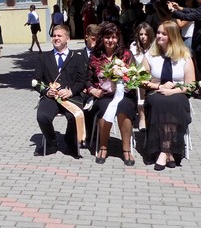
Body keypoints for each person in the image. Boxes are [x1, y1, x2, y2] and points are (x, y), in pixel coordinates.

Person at [140, 21, 195, 171]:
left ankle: (164, 152)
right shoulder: (150, 55)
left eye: (164, 34)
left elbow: (191, 85)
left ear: (172, 36)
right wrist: (159, 86)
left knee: (175, 103)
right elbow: (140, 80)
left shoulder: (184, 56)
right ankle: (169, 153)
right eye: (158, 32)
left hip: (178, 93)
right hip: (156, 92)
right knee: (159, 102)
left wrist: (173, 91)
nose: (159, 36)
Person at [85, 22, 137, 165]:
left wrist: (126, 80)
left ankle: (126, 149)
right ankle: (103, 146)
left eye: (114, 37)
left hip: (124, 94)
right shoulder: (95, 56)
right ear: (102, 38)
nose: (110, 40)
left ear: (118, 38)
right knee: (104, 108)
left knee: (124, 108)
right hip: (104, 95)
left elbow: (134, 76)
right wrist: (92, 89)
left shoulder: (126, 54)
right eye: (107, 37)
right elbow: (87, 80)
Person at [34, 24, 87, 158]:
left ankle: (70, 140)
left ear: (67, 39)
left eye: (59, 36)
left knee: (74, 116)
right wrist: (46, 91)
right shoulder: (43, 58)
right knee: (42, 116)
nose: (56, 38)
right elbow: (36, 81)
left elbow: (82, 81)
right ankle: (51, 142)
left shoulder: (77, 58)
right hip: (50, 98)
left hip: (71, 97)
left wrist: (71, 91)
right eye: (54, 36)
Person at [130, 22, 155, 131]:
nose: (143, 37)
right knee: (139, 86)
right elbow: (132, 64)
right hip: (138, 77)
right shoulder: (134, 46)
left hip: (153, 77)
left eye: (146, 34)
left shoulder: (155, 47)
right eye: (141, 34)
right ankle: (142, 118)